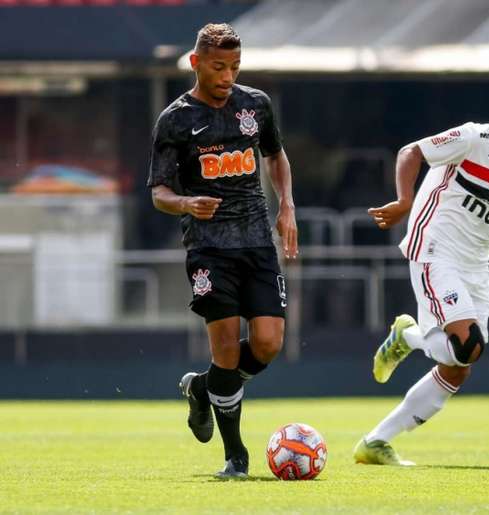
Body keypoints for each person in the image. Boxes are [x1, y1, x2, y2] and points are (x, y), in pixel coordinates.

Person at [354, 72, 489, 466]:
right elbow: (410, 152)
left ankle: (376, 441)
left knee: (460, 364)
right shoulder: (475, 138)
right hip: (434, 245)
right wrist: (403, 200)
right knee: (468, 345)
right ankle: (409, 338)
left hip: (475, 262)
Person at [147, 23, 297, 479]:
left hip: (256, 240)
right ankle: (236, 457)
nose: (228, 75)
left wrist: (286, 204)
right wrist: (186, 202)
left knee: (269, 343)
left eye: (234, 66)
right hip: (209, 247)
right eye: (218, 67)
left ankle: (203, 389)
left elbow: (274, 154)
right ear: (196, 63)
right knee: (228, 348)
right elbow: (158, 192)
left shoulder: (256, 104)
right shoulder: (175, 120)